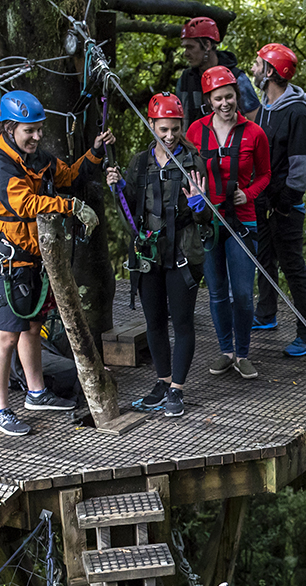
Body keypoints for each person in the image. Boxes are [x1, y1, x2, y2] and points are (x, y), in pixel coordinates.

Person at [0, 90, 110, 436]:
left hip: (36, 261)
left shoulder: (38, 158)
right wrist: (70, 208)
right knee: (6, 335)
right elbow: (23, 203)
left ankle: (36, 392)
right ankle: (0, 410)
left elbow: (68, 176)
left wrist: (94, 153)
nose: (37, 137)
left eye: (39, 130)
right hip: (10, 263)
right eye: (29, 131)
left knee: (32, 327)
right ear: (9, 128)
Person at [107, 94, 210, 419]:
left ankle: (177, 388)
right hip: (149, 254)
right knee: (154, 322)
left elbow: (207, 222)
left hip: (182, 252)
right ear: (151, 125)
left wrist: (199, 205)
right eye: (163, 129)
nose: (169, 135)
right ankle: (162, 382)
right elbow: (132, 211)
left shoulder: (193, 161)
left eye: (175, 129)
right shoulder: (141, 163)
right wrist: (120, 188)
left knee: (181, 322)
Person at [187, 67, 270, 380]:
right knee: (218, 291)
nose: (225, 103)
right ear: (209, 100)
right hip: (208, 221)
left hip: (242, 219)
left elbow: (265, 174)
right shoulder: (195, 131)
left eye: (230, 96)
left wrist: (247, 194)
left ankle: (244, 352)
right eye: (218, 98)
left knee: (243, 293)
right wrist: (195, 196)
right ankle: (226, 351)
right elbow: (186, 168)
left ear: (237, 97)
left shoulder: (254, 133)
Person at [249, 43, 306, 358]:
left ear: (270, 72)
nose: (253, 69)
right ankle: (266, 314)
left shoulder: (297, 113)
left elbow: (301, 166)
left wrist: (286, 201)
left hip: (286, 205)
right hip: (264, 201)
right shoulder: (265, 108)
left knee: (293, 266)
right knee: (264, 258)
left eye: (257, 64)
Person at [176, 17, 260, 130]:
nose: (186, 53)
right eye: (185, 47)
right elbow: (177, 122)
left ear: (207, 45)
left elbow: (256, 121)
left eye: (190, 47)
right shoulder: (185, 80)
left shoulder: (236, 78)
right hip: (194, 145)